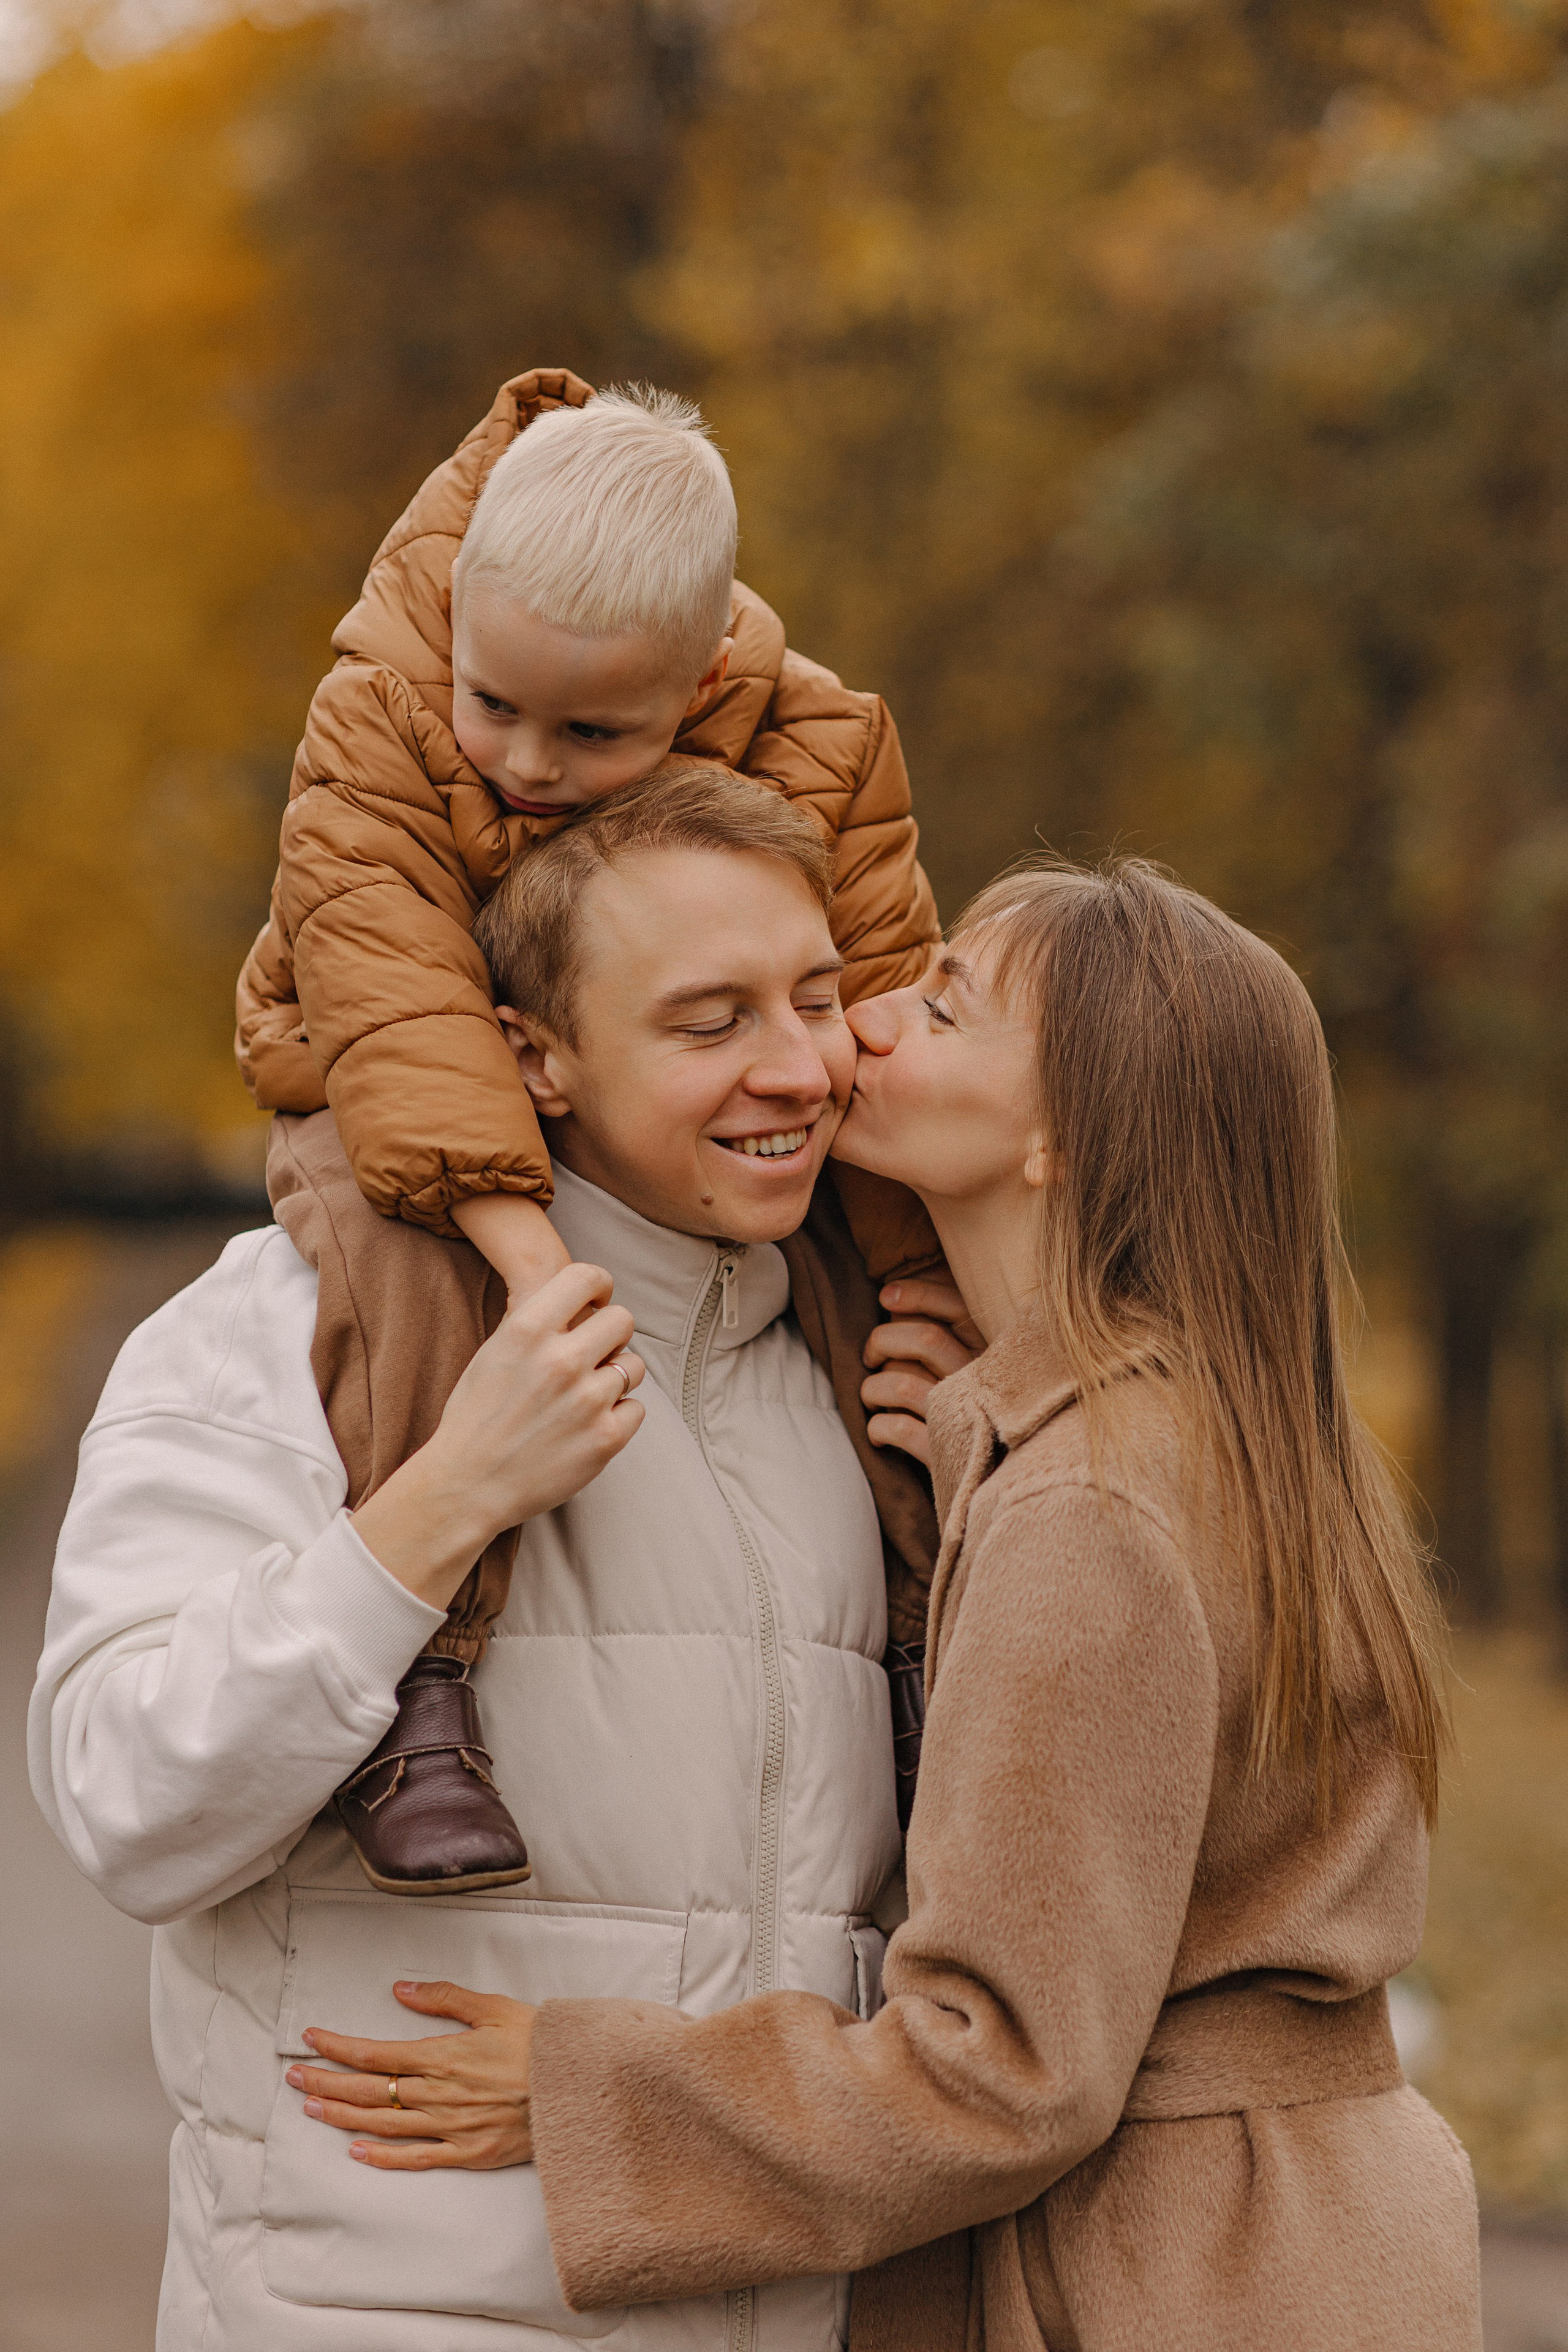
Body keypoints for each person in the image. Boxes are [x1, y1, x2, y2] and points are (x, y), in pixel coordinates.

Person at [286, 856, 1482, 2352]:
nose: (862, 1020)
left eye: (942, 1004)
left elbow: (1002, 2070)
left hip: (1172, 2275)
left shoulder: (1092, 1506)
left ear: (1059, 1137)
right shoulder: (1204, 1437)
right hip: (1300, 2242)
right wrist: (970, 1457)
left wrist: (586, 2088)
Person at [31, 772, 933, 2352]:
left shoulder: (861, 1379)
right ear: (538, 1055)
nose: (794, 1066)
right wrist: (439, 1506)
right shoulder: (294, 1326)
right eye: (708, 1021)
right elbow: (125, 1803)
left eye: (814, 997)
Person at [235, 365, 941, 1883]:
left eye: (592, 734)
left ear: (696, 692)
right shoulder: (380, 704)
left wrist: (947, 1284)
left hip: (640, 1102)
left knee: (869, 1322)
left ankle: (915, 1663)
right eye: (494, 705)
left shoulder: (817, 739)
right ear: (460, 633)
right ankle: (427, 1696)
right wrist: (527, 1251)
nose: (527, 765)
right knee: (405, 1270)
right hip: (371, 1069)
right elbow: (397, 994)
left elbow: (874, 998)